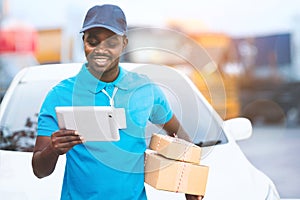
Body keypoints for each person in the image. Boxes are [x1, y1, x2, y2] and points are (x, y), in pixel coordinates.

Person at [32, 4, 203, 200]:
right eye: (93, 42)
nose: (101, 50)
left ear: (124, 43)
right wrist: (53, 149)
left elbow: (180, 135)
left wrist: (190, 181)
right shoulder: (59, 95)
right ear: (83, 42)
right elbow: (39, 170)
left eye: (111, 43)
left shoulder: (145, 89)